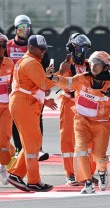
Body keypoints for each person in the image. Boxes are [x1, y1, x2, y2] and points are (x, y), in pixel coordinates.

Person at [46, 51, 110, 194]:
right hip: (81, 121)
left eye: (97, 63)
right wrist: (53, 77)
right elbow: (66, 82)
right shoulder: (81, 78)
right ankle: (87, 182)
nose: (93, 66)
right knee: (81, 150)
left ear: (105, 67)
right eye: (92, 63)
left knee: (98, 156)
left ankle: (102, 172)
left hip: (101, 124)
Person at [7, 35, 55, 192]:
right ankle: (34, 181)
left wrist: (45, 100)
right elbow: (44, 84)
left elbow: (34, 87)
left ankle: (15, 174)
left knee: (32, 142)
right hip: (24, 104)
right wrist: (58, 76)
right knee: (32, 144)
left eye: (45, 49)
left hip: (25, 103)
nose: (43, 52)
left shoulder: (29, 61)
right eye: (41, 49)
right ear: (31, 48)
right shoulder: (31, 63)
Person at [5, 14, 50, 161]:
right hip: (13, 88)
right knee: (15, 119)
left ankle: (38, 148)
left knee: (38, 117)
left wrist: (46, 85)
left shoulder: (34, 45)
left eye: (27, 28)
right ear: (16, 29)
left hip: (34, 88)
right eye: (21, 28)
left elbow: (45, 66)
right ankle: (19, 148)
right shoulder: (8, 46)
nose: (24, 31)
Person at [57, 33, 97, 186]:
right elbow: (55, 80)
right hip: (68, 104)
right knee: (68, 139)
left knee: (89, 141)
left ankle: (87, 173)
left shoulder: (91, 65)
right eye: (80, 49)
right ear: (72, 49)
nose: (82, 52)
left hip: (86, 106)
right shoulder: (66, 66)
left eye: (84, 49)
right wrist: (61, 71)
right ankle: (71, 174)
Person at [0, 33, 14, 185]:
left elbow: (15, 81)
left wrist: (12, 87)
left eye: (4, 45)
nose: (2, 49)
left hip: (6, 106)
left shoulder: (10, 63)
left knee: (4, 139)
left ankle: (3, 167)